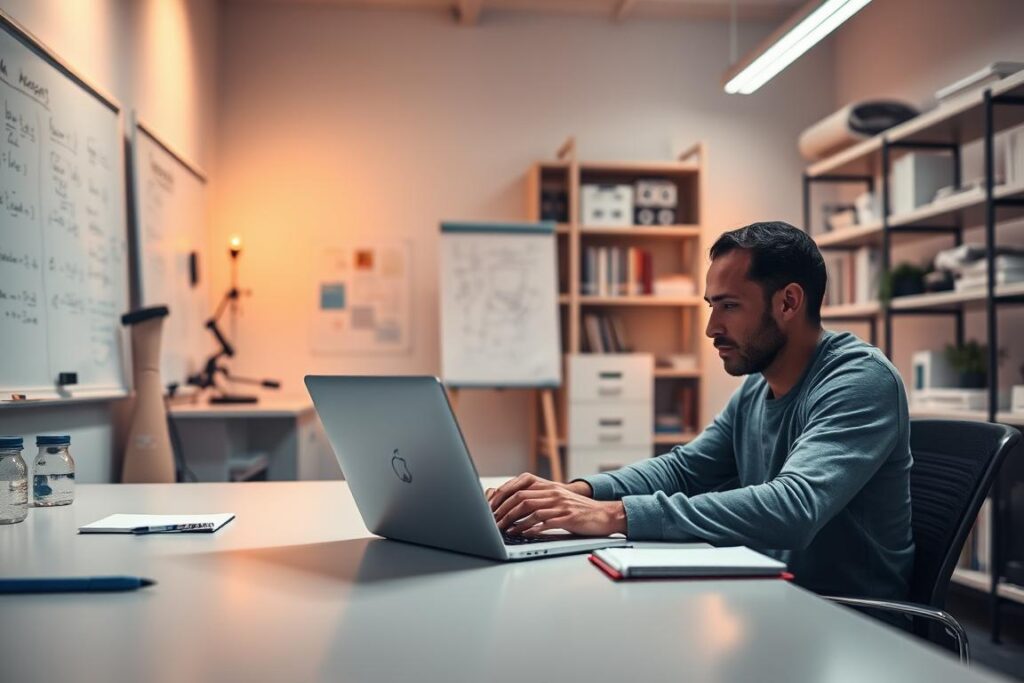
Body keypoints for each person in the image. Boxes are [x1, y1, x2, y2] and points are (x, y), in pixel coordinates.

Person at [487, 221, 914, 600]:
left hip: (846, 621)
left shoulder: (860, 380)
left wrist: (615, 516)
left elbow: (793, 508)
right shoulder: (756, 388)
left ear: (788, 303)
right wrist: (577, 493)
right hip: (768, 597)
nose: (712, 328)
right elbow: (683, 470)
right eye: (712, 306)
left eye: (729, 306)